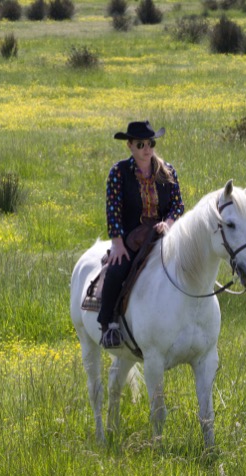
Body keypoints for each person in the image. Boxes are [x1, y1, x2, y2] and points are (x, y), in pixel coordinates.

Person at [98, 120, 184, 348]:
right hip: (132, 239)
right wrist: (117, 243)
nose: (146, 149)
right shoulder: (119, 173)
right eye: (140, 144)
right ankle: (108, 326)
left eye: (150, 143)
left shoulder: (168, 171)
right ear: (130, 146)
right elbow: (113, 209)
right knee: (116, 271)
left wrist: (168, 223)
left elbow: (178, 205)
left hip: (164, 235)